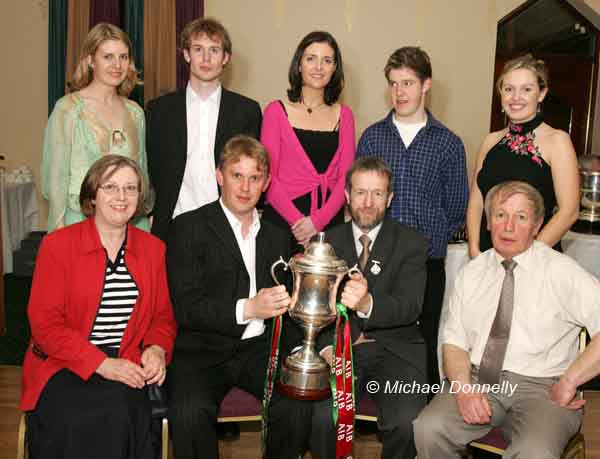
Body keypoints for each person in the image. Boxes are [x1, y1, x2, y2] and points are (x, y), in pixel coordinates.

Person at [414, 180, 600, 458]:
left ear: (537, 225)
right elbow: (453, 343)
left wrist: (571, 381)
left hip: (543, 388)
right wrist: (464, 390)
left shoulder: (563, 272)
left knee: (534, 452)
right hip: (478, 378)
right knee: (428, 428)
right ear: (489, 222)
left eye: (521, 217)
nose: (509, 226)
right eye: (501, 215)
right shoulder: (472, 273)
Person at [267, 157, 428, 459]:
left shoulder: (412, 242)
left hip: (397, 352)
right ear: (346, 196)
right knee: (323, 417)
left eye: (377, 193)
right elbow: (310, 307)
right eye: (360, 192)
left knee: (407, 423)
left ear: (390, 198)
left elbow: (411, 306)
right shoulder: (323, 245)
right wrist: (326, 348)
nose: (368, 202)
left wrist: (368, 303)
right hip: (339, 350)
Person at [20, 155, 177, 459]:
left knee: (121, 411)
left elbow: (163, 318)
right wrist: (101, 364)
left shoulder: (153, 249)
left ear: (140, 198)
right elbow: (44, 325)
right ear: (92, 195)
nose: (121, 197)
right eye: (111, 187)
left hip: (125, 360)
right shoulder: (58, 246)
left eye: (130, 188)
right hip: (62, 363)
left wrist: (157, 348)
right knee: (79, 419)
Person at [165, 135, 292, 459]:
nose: (245, 187)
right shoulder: (188, 227)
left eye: (255, 178)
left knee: (296, 401)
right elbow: (188, 308)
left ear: (266, 183)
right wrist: (248, 308)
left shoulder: (279, 237)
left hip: (260, 350)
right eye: (237, 175)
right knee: (189, 412)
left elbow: (289, 307)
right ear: (219, 175)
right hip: (202, 350)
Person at [356, 47, 468, 389]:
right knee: (371, 331)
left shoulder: (448, 143)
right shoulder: (373, 137)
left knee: (423, 334)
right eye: (393, 84)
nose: (399, 92)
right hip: (376, 258)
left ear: (426, 85)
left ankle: (421, 402)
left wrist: (429, 240)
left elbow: (456, 206)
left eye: (407, 83)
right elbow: (359, 199)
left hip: (426, 261)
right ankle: (367, 399)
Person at [147, 17, 262, 242]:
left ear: (225, 58)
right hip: (172, 224)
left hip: (228, 226)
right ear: (187, 55)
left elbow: (254, 169)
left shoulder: (246, 110)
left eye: (214, 50)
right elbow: (151, 165)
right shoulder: (159, 110)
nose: (206, 58)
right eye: (198, 49)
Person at [466, 54, 579, 257]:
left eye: (526, 89)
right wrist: (474, 250)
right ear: (500, 93)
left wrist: (525, 257)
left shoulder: (557, 141)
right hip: (487, 257)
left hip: (536, 259)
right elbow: (476, 202)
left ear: (542, 93)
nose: (516, 97)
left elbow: (569, 212)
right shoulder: (490, 141)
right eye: (508, 89)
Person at [42, 23, 149, 232]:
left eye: (123, 57)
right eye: (108, 56)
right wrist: (59, 230)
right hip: (80, 222)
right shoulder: (68, 110)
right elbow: (55, 179)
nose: (117, 65)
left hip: (130, 224)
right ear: (91, 60)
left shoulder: (135, 113)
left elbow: (141, 172)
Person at [261, 30, 356, 252]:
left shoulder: (345, 115)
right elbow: (267, 177)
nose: (319, 67)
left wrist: (316, 223)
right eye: (311, 58)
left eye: (327, 60)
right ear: (299, 64)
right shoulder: (276, 112)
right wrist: (299, 224)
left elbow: (346, 178)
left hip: (328, 227)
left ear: (335, 69)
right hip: (282, 224)